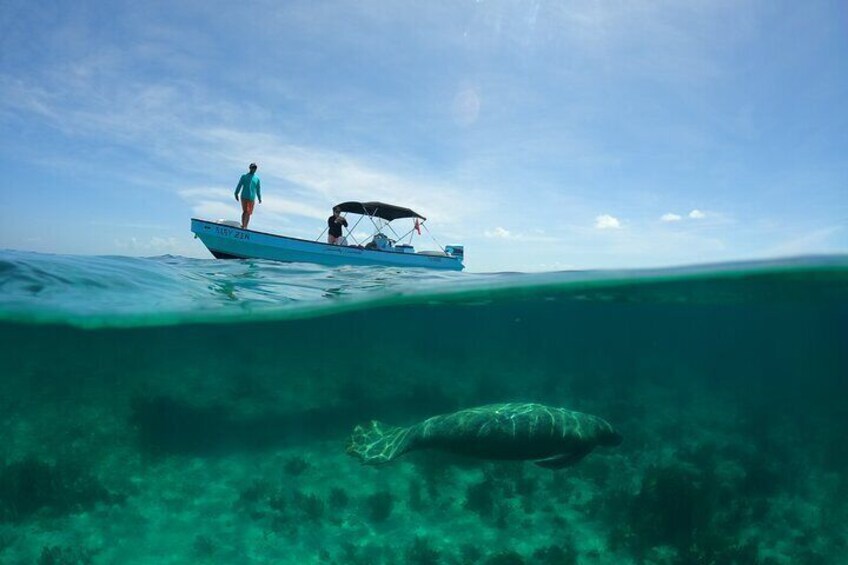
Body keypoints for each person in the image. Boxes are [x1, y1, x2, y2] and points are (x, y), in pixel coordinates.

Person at [234, 163, 261, 229]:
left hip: (252, 198)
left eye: (255, 168)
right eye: (252, 167)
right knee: (245, 211)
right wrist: (236, 193)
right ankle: (243, 225)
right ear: (250, 168)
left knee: (249, 212)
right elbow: (239, 185)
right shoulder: (244, 176)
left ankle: (246, 226)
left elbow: (258, 189)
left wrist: (259, 198)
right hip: (244, 196)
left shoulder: (257, 179)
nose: (253, 169)